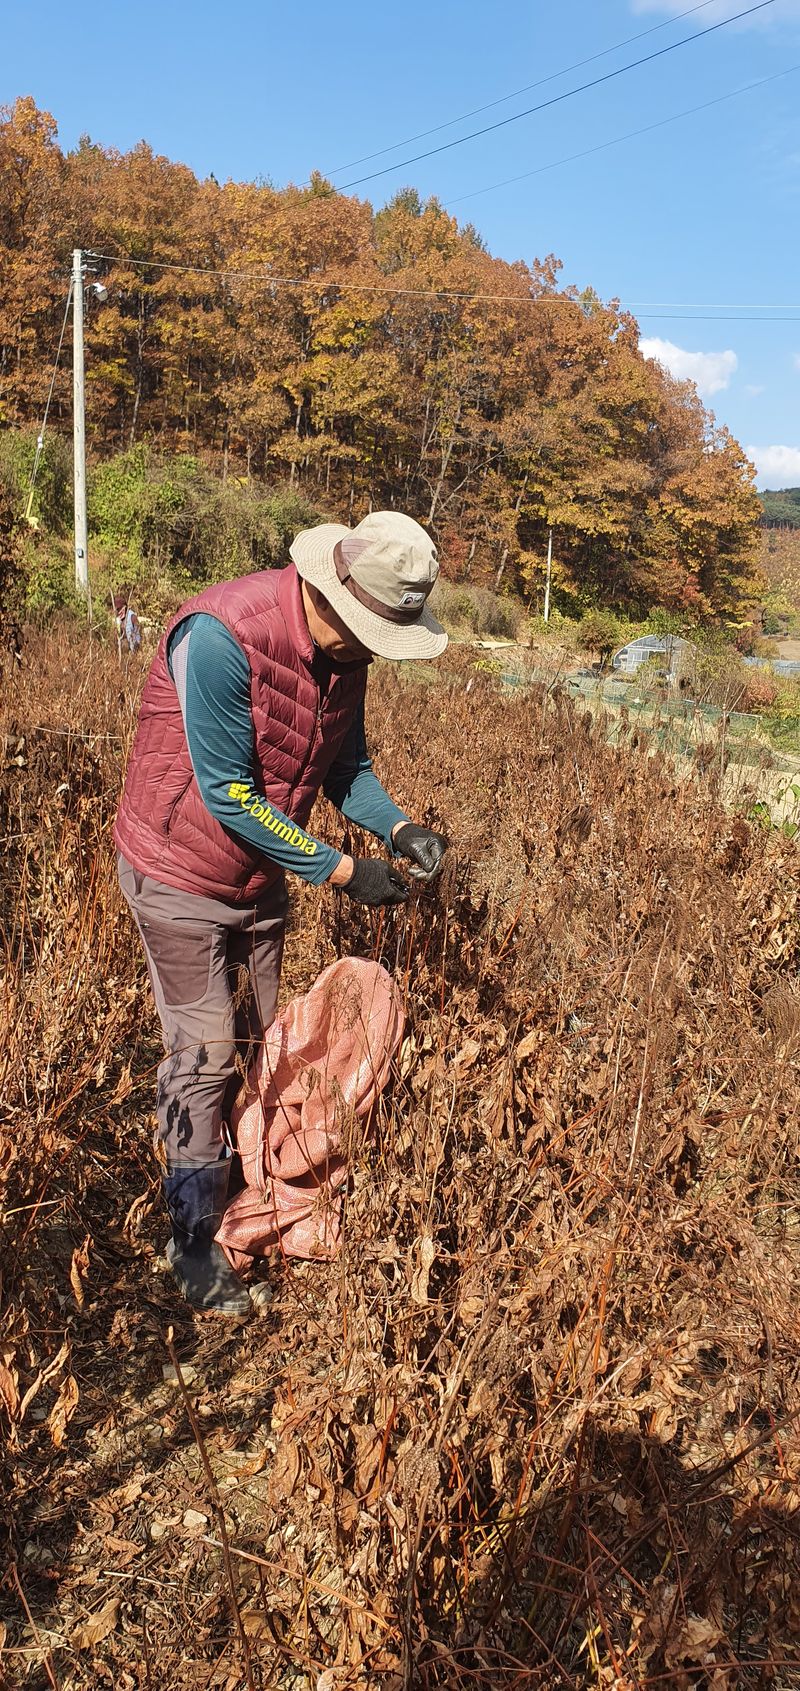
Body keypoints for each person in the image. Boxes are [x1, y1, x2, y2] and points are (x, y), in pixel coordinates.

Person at [115, 511, 449, 1315]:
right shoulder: (222, 636)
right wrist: (341, 870)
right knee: (201, 1057)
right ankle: (191, 1240)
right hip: (177, 871)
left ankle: (246, 1189)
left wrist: (397, 825)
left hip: (260, 878)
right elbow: (230, 794)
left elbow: (347, 766)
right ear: (331, 595)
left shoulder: (347, 657)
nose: (374, 650)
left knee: (265, 1045)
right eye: (371, 631)